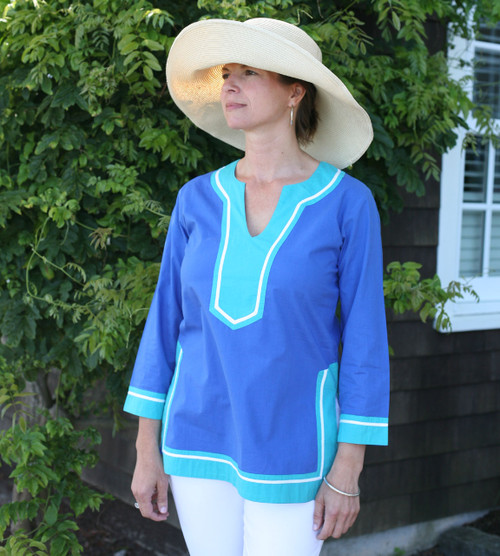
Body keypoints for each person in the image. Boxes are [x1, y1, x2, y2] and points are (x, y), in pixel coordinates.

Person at [123, 17, 389, 556]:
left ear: (296, 92)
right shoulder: (195, 200)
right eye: (226, 74)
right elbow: (164, 325)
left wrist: (349, 465)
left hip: (294, 447)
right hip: (196, 438)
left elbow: (365, 341)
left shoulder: (347, 203)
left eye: (249, 72)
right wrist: (146, 446)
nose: (230, 86)